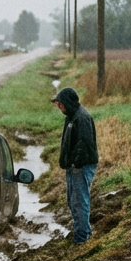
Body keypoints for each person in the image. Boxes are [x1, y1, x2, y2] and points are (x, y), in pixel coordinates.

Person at [52, 87, 99, 244]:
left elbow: (84, 144)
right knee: (73, 202)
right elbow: (69, 142)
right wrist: (65, 161)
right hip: (74, 167)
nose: (60, 108)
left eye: (61, 105)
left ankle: (81, 239)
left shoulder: (82, 118)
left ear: (68, 103)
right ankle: (84, 234)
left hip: (81, 167)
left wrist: (75, 162)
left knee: (79, 203)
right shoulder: (71, 116)